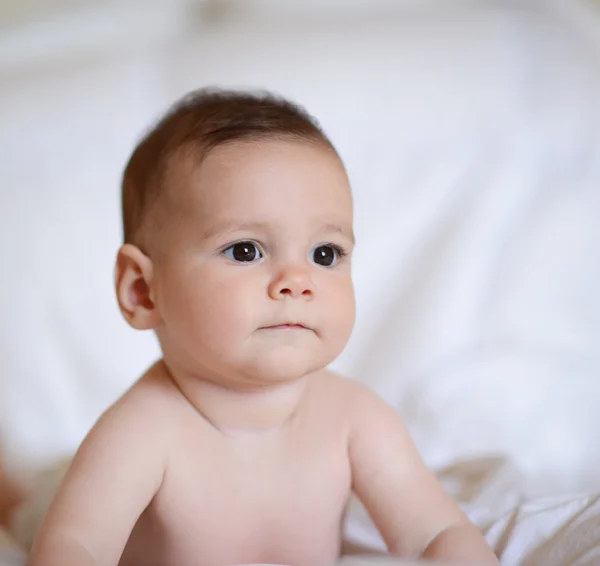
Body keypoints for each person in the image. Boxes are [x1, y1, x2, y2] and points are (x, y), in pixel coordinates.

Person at [27, 88, 499, 566]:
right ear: (143, 292)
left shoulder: (355, 419)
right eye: (245, 250)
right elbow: (74, 548)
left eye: (324, 254)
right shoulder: (141, 431)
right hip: (64, 496)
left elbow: (436, 532)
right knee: (35, 510)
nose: (297, 281)